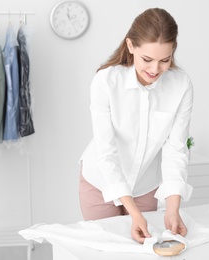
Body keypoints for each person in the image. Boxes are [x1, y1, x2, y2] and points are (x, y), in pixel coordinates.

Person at [79, 7, 193, 244]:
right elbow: (106, 151)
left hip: (145, 186)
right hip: (100, 183)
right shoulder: (106, 81)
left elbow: (175, 150)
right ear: (131, 46)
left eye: (165, 60)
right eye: (147, 59)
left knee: (146, 249)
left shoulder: (181, 85)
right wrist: (133, 213)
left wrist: (173, 207)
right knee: (106, 249)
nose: (155, 70)